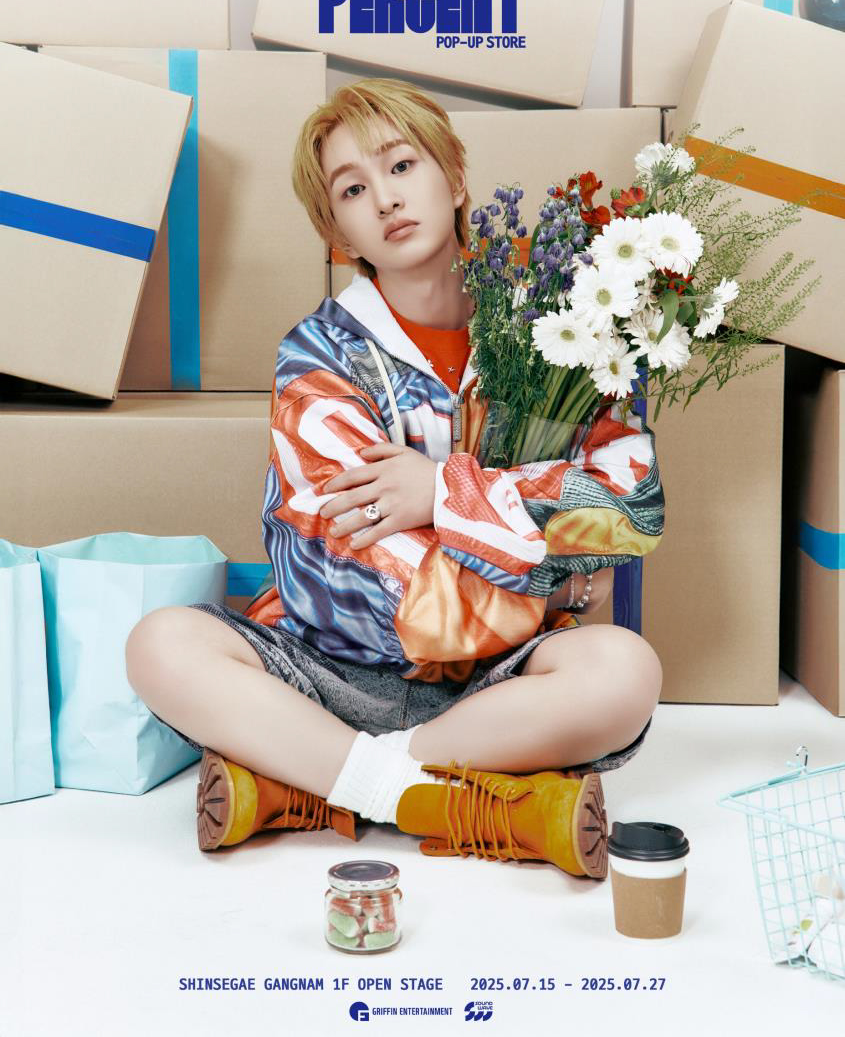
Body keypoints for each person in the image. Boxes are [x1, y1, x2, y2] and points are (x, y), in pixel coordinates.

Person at [125, 78, 665, 881]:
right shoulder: (317, 357)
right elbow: (369, 582)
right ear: (334, 232)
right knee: (162, 645)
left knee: (625, 672)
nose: (384, 198)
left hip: (493, 689)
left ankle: (311, 784)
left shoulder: (557, 330)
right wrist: (552, 568)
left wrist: (438, 492)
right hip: (324, 668)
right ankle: (442, 800)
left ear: (455, 178)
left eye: (402, 166)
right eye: (351, 189)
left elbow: (630, 510)